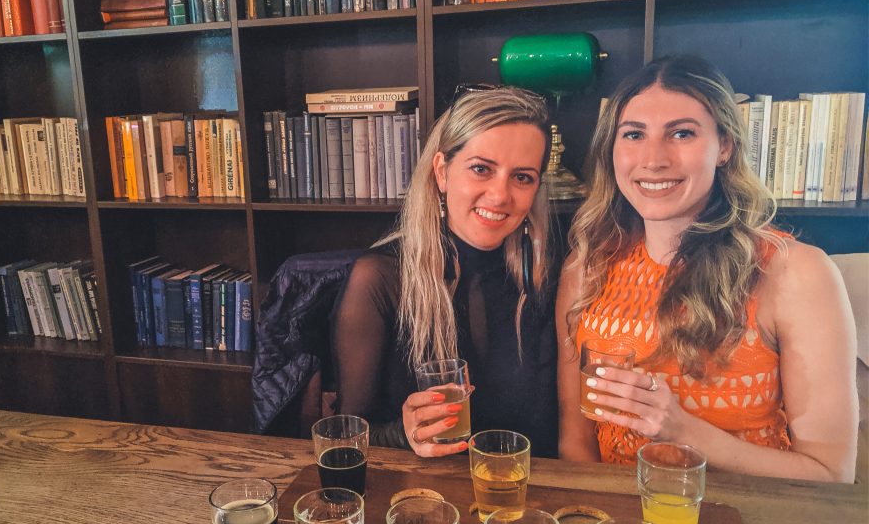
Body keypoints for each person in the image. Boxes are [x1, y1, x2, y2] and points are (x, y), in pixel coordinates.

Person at [557, 55, 858, 482]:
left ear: (726, 146)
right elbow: (576, 442)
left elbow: (830, 475)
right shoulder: (586, 268)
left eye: (682, 133)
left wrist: (685, 433)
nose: (654, 159)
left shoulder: (795, 272)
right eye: (634, 134)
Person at [331, 85, 559, 458]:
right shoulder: (380, 278)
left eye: (522, 177)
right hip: (423, 502)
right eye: (481, 169)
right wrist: (405, 433)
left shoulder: (546, 275)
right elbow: (346, 437)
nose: (500, 195)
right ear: (442, 172)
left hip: (524, 493)